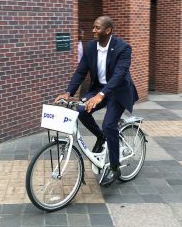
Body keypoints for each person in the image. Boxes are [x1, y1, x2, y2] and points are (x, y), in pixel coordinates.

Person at [55, 16, 139, 187]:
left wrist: (101, 95)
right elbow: (80, 72)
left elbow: (119, 75)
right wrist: (68, 92)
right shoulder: (91, 47)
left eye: (97, 28)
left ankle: (115, 168)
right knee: (79, 110)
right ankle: (101, 138)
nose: (93, 30)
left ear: (108, 30)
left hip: (118, 91)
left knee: (109, 125)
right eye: (93, 27)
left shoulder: (123, 48)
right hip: (98, 89)